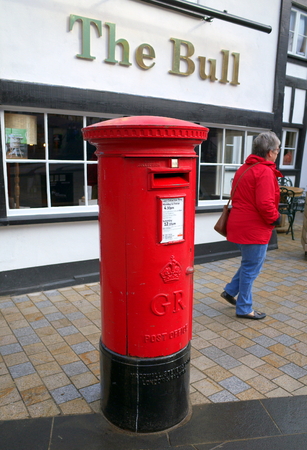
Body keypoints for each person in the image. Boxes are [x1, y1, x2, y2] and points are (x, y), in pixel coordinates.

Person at [221, 131, 282, 320]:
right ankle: (244, 308)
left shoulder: (245, 168)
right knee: (251, 267)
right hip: (253, 228)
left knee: (249, 264)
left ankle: (230, 292)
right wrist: (276, 218)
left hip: (239, 224)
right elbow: (265, 203)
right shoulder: (263, 171)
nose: (278, 153)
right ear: (270, 152)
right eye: (278, 150)